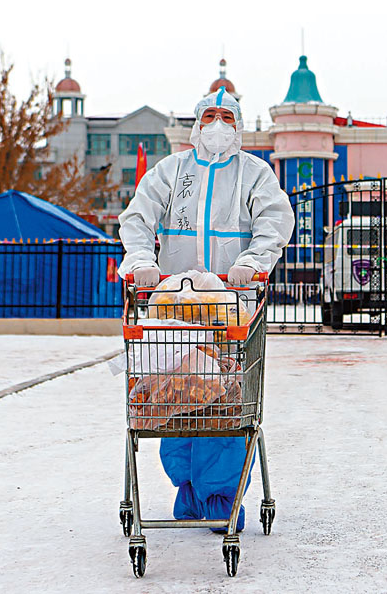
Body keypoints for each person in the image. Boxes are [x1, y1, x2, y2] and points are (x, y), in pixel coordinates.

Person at [118, 87, 294, 530]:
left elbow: (275, 221)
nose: (218, 125)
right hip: (174, 307)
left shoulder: (254, 173)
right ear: (197, 123)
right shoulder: (172, 170)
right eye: (210, 115)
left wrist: (253, 262)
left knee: (226, 400)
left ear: (239, 125)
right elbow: (137, 217)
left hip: (231, 309)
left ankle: (219, 495)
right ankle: (188, 487)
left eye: (227, 117)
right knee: (177, 394)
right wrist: (140, 260)